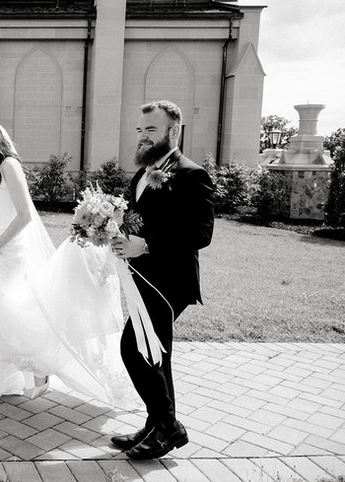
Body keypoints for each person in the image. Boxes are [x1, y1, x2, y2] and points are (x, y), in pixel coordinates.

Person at [0, 118, 135, 407]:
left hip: (8, 249)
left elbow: (24, 216)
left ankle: (39, 370)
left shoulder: (9, 166)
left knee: (9, 310)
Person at [110, 100, 214, 460]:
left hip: (170, 281)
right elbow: (134, 219)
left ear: (174, 131)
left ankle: (169, 427)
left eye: (150, 130)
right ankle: (156, 424)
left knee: (134, 349)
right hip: (141, 279)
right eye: (140, 130)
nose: (142, 137)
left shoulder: (191, 174)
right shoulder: (142, 173)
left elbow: (201, 233)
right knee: (155, 356)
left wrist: (147, 246)